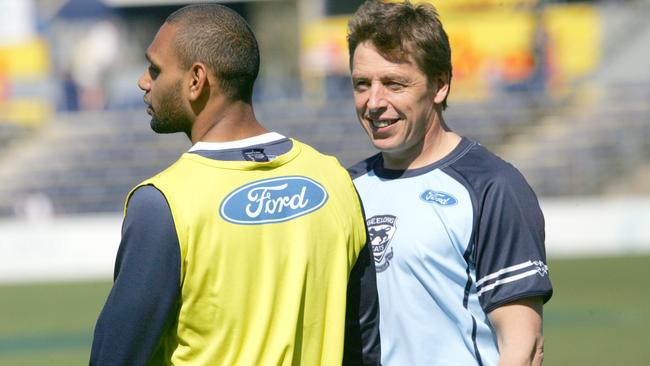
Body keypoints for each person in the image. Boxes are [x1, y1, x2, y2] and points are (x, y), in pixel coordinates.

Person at [90, 4, 380, 365]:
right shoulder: (335, 180)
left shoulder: (164, 203)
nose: (144, 81)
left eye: (155, 69)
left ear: (196, 80)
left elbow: (113, 358)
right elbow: (364, 345)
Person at [346, 1, 553, 365]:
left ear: (440, 85)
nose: (374, 102)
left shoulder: (491, 187)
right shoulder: (345, 190)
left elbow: (524, 346)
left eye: (394, 84)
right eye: (363, 84)